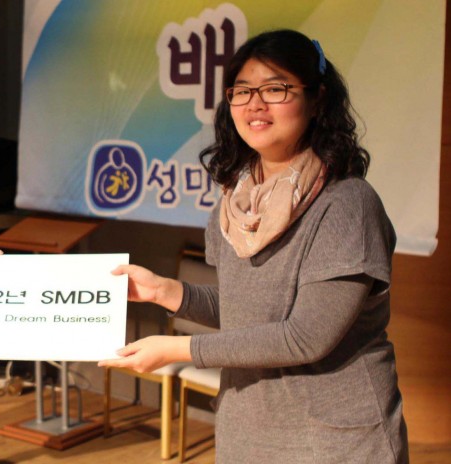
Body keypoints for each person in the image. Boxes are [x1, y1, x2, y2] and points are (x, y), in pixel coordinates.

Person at [99, 29, 408, 463]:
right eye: (242, 91)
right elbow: (249, 311)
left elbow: (304, 337)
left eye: (275, 88)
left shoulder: (347, 204)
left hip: (336, 440)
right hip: (248, 429)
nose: (255, 104)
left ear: (317, 99)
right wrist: (166, 292)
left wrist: (178, 350)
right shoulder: (234, 203)